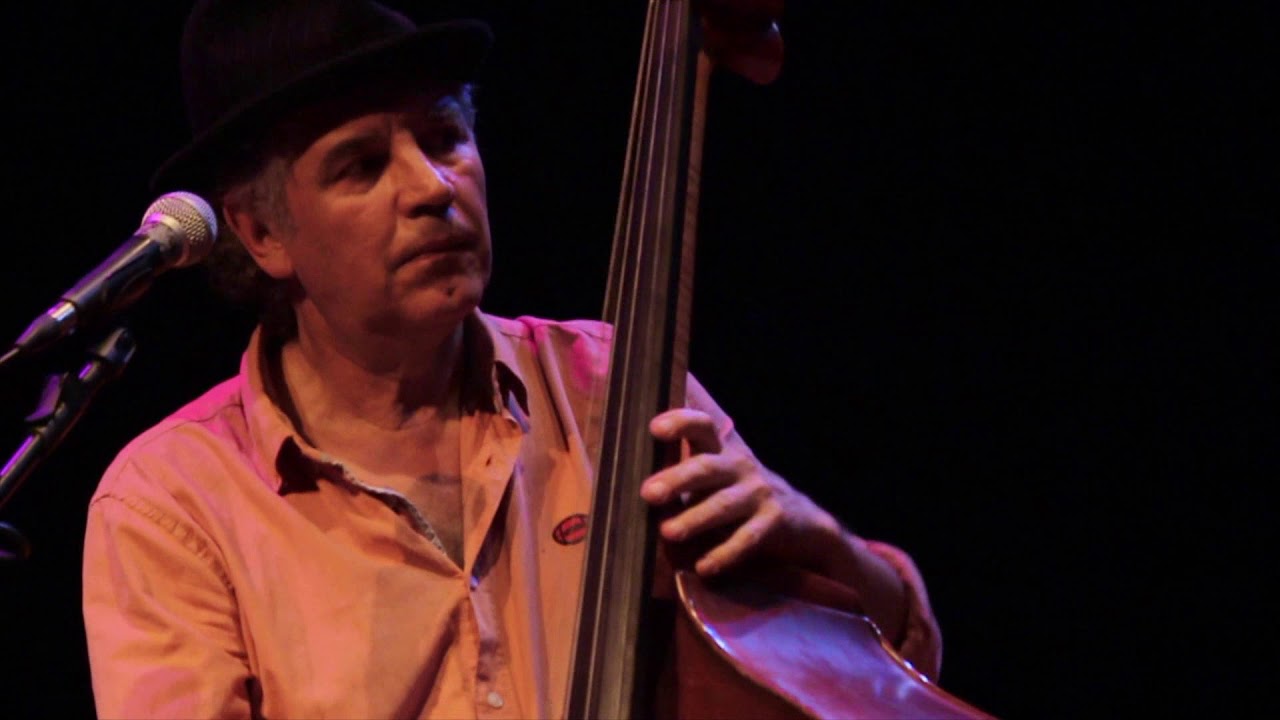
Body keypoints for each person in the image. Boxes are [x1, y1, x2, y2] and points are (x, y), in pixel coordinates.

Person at [81, 1, 943, 717]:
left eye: (445, 136)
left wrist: (829, 551)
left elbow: (875, 677)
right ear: (262, 232)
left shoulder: (613, 388)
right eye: (363, 166)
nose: (431, 187)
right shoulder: (174, 506)